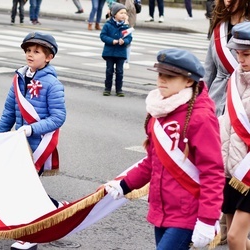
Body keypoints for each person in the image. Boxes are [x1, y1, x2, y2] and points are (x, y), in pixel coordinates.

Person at [105, 48, 225, 249]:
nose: (162, 80)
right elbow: (152, 161)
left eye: (170, 76)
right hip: (162, 208)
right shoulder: (160, 110)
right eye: (160, 74)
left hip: (188, 212)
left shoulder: (201, 117)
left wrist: (206, 219)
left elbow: (213, 172)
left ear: (188, 81)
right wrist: (124, 184)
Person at [0, 31, 66, 250]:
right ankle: (55, 207)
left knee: (24, 189)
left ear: (49, 57)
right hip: (19, 144)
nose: (30, 54)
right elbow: (9, 110)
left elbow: (58, 117)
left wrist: (31, 129)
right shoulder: (19, 78)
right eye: (28, 50)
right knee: (20, 187)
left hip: (37, 144)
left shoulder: (52, 84)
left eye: (36, 51)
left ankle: (32, 235)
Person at [219, 21, 250, 250]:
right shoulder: (235, 78)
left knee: (234, 238)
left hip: (248, 172)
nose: (241, 60)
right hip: (231, 169)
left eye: (247, 54)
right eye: (238, 54)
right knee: (234, 237)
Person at [203, 0, 249, 117]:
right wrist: (199, 101)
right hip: (215, 100)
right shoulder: (219, 27)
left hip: (242, 101)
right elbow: (209, 70)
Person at [100, 3, 132, 97]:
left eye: (125, 13)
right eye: (121, 13)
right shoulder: (108, 25)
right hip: (109, 52)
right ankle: (107, 88)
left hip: (121, 53)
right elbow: (103, 36)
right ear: (114, 14)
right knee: (109, 70)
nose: (124, 15)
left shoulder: (126, 27)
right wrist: (112, 41)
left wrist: (124, 41)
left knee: (120, 71)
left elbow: (129, 38)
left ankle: (119, 89)